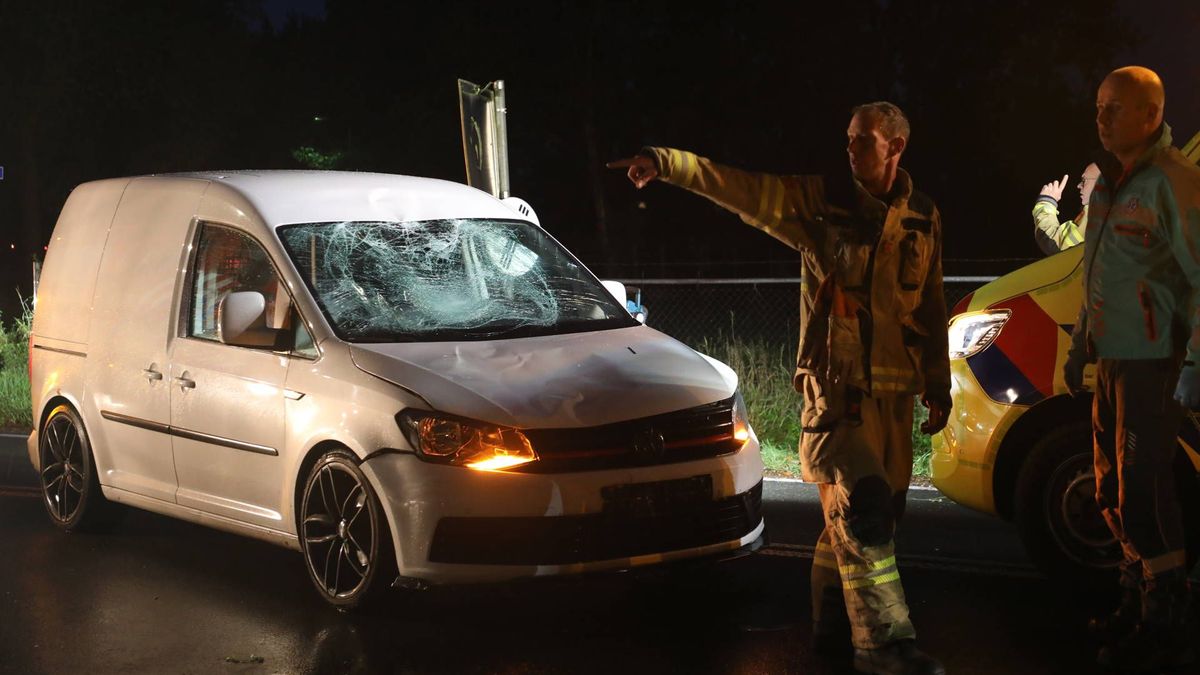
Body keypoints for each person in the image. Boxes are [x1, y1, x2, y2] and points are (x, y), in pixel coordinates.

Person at [609, 101, 949, 675]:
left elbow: (932, 304)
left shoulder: (923, 216)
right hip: (834, 393)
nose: (850, 149)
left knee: (869, 517)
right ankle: (884, 646)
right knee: (863, 508)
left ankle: (832, 628)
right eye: (848, 138)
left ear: (896, 148)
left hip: (891, 400)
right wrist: (666, 163)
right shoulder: (820, 204)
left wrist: (937, 383)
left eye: (863, 141)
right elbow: (739, 189)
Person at [1063, 65, 1200, 671]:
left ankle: (1165, 623)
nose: (1101, 116)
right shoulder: (1109, 187)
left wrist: (1194, 364)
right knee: (1112, 491)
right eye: (1098, 106)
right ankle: (1135, 600)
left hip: (1153, 364)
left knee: (1143, 493)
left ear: (1150, 115)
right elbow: (1095, 272)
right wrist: (1078, 348)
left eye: (1114, 107)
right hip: (1113, 361)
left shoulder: (1176, 181)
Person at [1032, 163, 1100, 254]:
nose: (1079, 185)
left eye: (1084, 180)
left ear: (1102, 181)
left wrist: (1046, 202)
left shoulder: (1098, 214)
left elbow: (1055, 245)